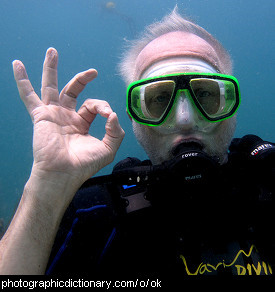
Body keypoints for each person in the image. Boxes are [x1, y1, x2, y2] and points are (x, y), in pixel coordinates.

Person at [0, 7, 274, 279]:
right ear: (136, 118)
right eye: (159, 99)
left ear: (230, 106)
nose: (185, 119)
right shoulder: (94, 217)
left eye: (204, 94)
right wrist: (46, 187)